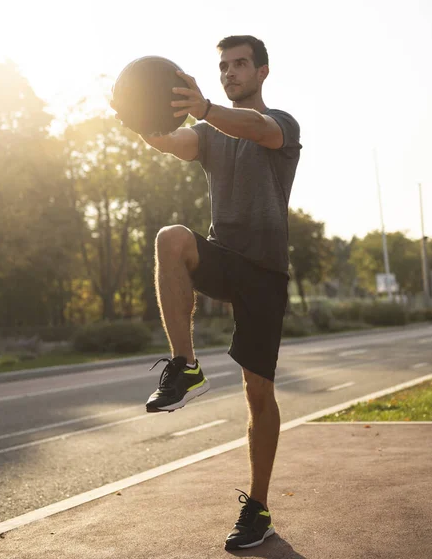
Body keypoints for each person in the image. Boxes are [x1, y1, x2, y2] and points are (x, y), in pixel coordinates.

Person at [111, 35, 302, 551]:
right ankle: (185, 365)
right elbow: (172, 142)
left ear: (262, 71)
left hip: (264, 271)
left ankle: (258, 507)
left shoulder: (280, 124)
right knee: (171, 238)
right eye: (223, 66)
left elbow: (254, 128)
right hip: (224, 256)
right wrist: (137, 117)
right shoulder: (207, 132)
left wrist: (206, 108)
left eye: (240, 64)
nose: (230, 72)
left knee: (257, 394)